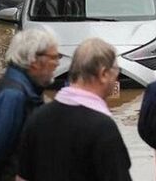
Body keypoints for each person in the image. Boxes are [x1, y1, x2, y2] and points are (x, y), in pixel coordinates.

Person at [16, 38, 130, 181]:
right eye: (116, 71)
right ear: (104, 74)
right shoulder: (103, 127)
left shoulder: (37, 117)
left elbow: (22, 177)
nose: (117, 78)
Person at [0, 30, 58, 181]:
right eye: (53, 57)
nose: (57, 63)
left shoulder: (25, 91)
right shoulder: (13, 96)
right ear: (34, 61)